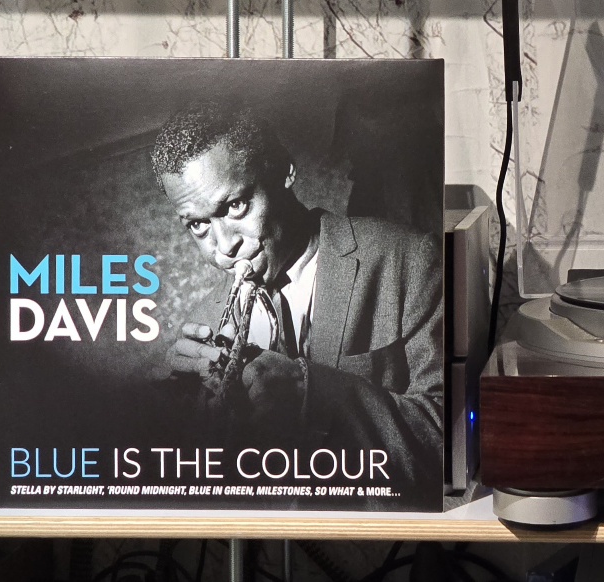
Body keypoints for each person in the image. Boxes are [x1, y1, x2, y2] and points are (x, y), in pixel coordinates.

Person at [149, 102, 443, 506]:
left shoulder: (408, 258)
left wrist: (310, 392)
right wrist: (186, 416)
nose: (224, 246)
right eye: (198, 225)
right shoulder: (205, 321)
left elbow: (448, 444)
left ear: (284, 171)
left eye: (235, 206)